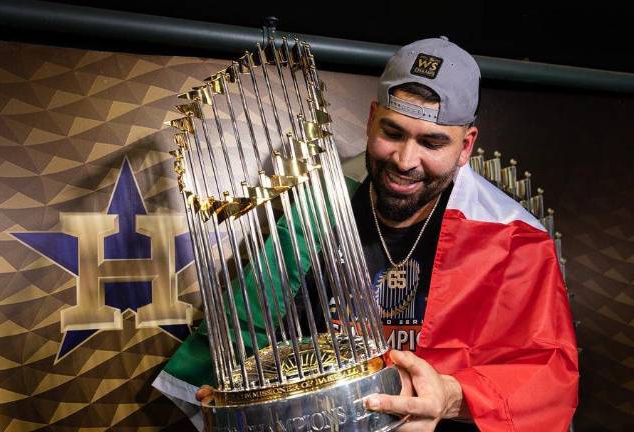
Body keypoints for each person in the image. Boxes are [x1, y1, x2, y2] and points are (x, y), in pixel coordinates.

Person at [156, 37, 579, 432]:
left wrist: (451, 395)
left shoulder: (512, 236)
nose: (405, 161)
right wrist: (238, 396)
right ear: (373, 118)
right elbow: (255, 327)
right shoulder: (322, 201)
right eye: (393, 133)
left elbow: (548, 378)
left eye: (432, 143)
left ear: (466, 146)